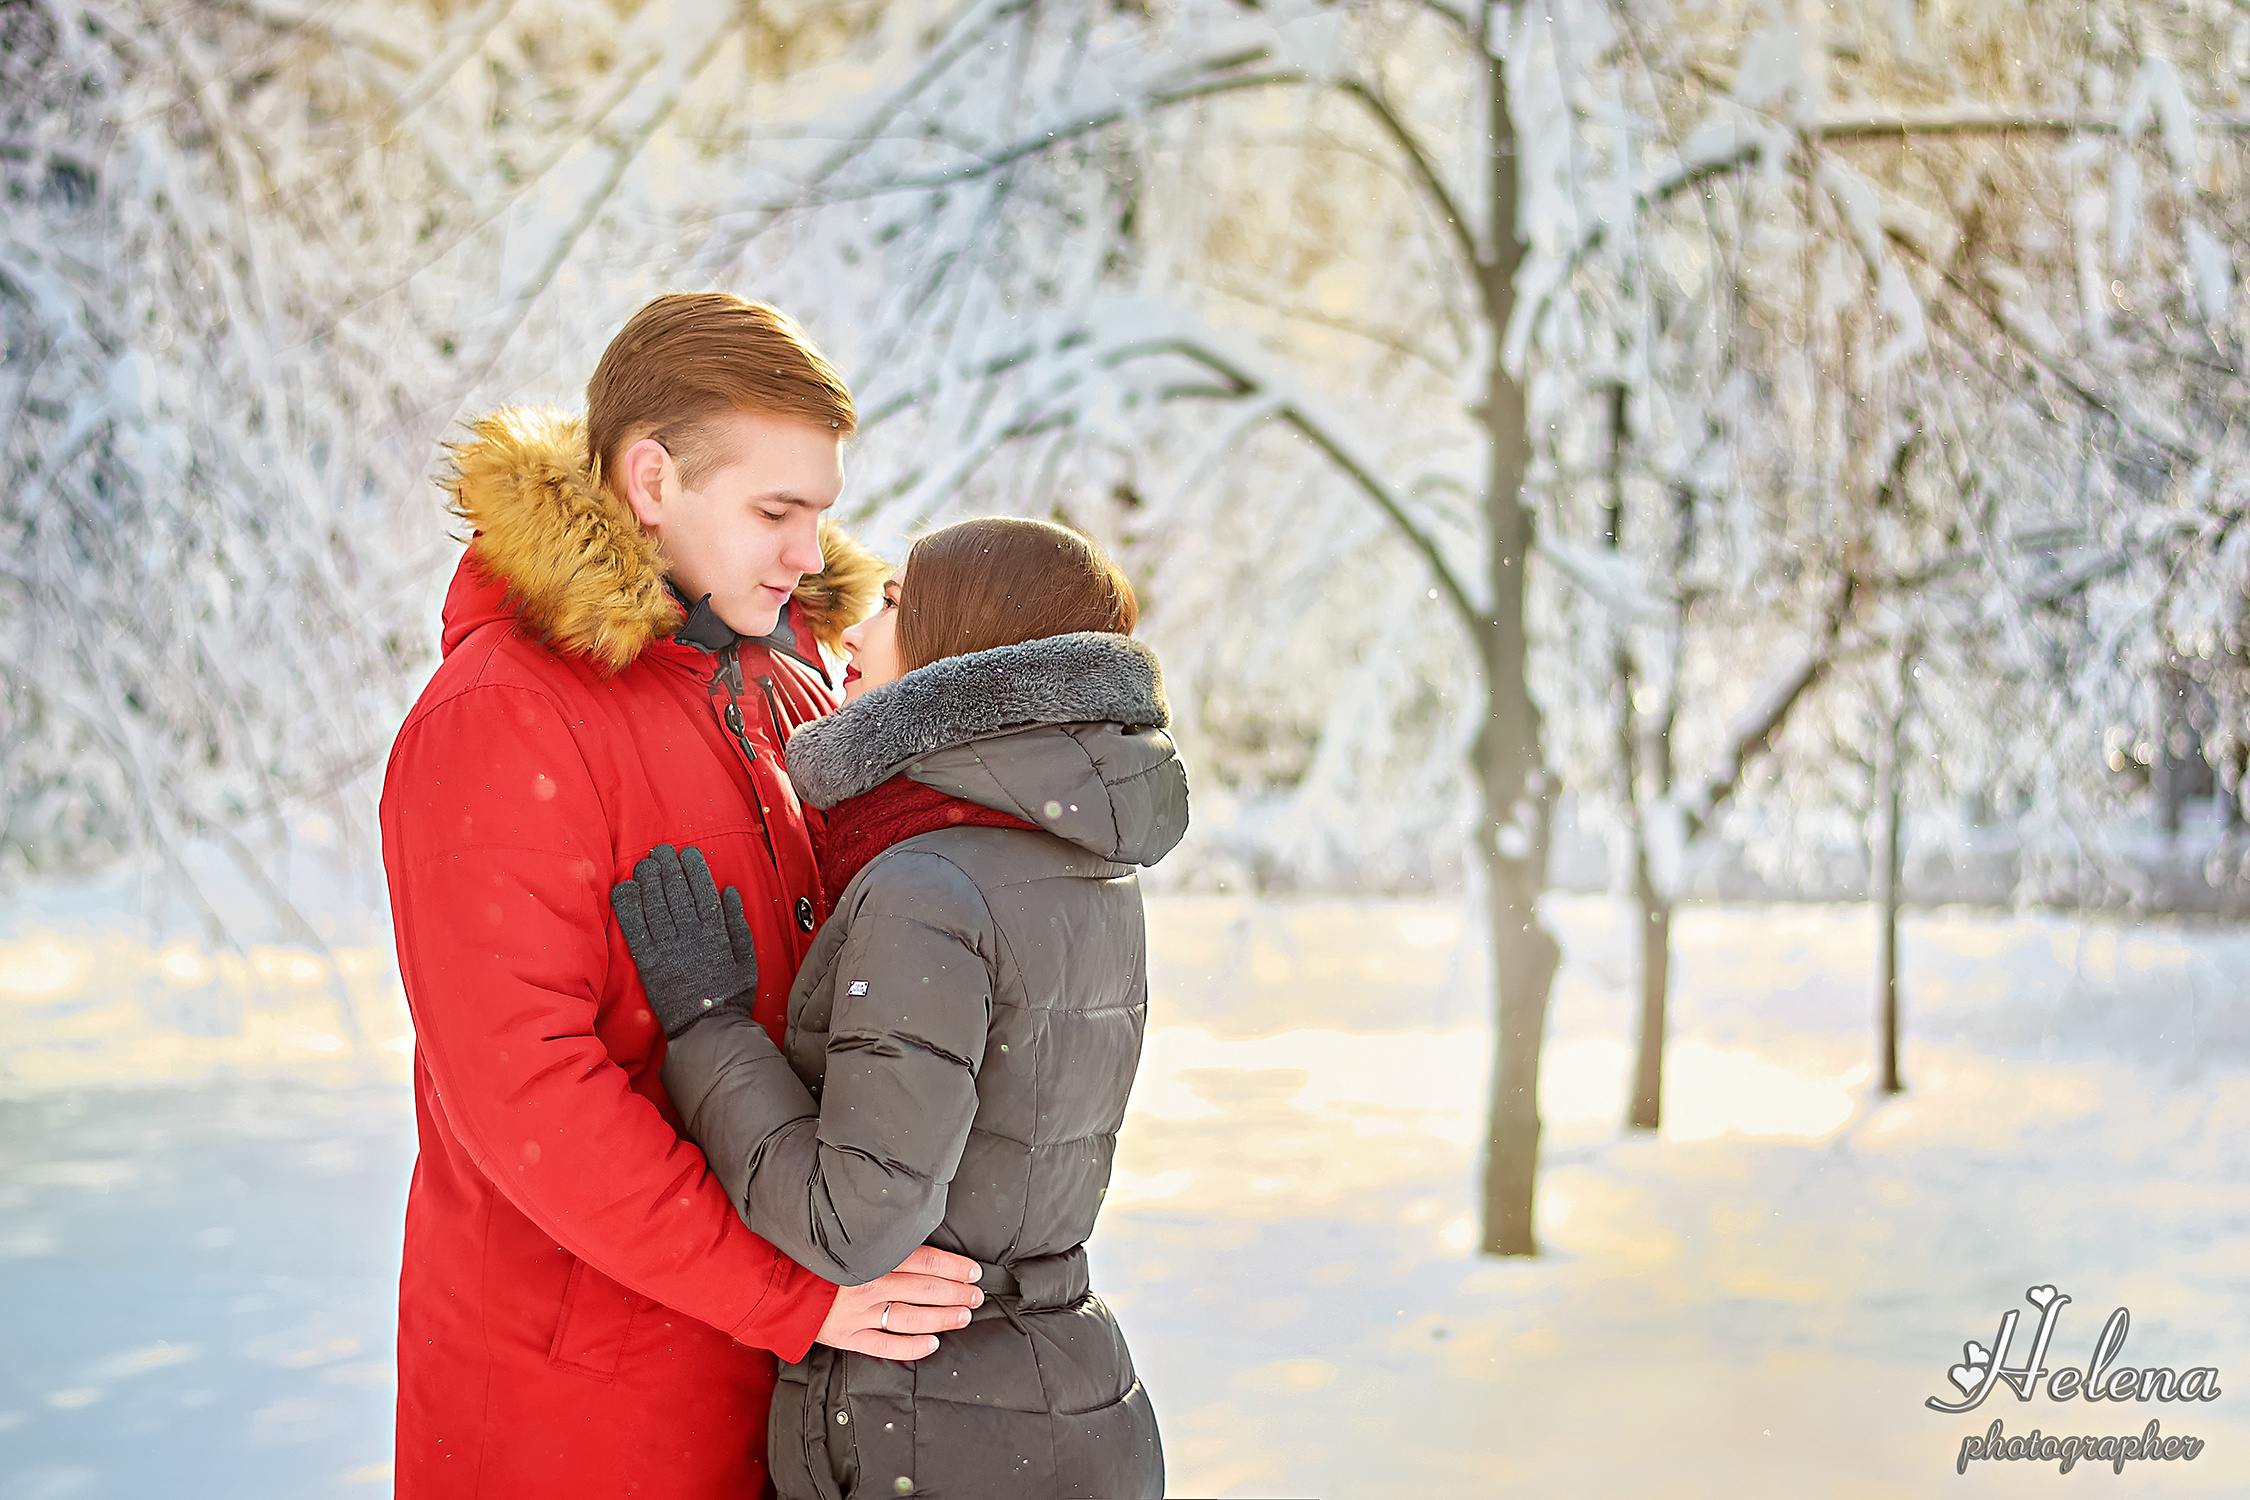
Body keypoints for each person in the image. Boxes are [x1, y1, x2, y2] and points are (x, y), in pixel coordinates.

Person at [378, 293, 984, 1500]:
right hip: (584, 1415)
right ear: (651, 479)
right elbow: (529, 1095)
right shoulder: (503, 719)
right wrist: (791, 1295)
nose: (811, 554)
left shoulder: (785, 686)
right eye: (776, 512)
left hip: (782, 1387)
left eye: (822, 513)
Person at [610, 517, 1186, 1500]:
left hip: (938, 1428)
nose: (853, 630)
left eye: (892, 603)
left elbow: (855, 1222)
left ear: (956, 649)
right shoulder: (1082, 864)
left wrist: (709, 1030)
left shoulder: (930, 883)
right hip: (1058, 1394)